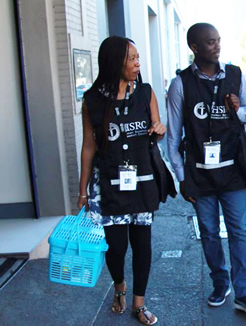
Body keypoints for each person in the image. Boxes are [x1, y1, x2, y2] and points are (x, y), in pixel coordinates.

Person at [166, 23, 246, 315]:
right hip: (199, 173)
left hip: (233, 170)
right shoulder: (180, 83)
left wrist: (238, 109)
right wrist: (181, 179)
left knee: (239, 231)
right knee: (209, 233)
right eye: (210, 42)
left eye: (218, 41)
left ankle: (244, 292)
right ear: (194, 47)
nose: (217, 46)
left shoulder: (235, 75)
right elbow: (173, 137)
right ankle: (220, 283)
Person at [78, 36, 166, 325]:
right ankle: (119, 287)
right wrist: (82, 192)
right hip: (108, 185)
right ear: (115, 61)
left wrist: (159, 127)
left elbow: (158, 128)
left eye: (138, 57)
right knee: (115, 248)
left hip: (141, 180)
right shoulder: (92, 101)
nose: (137, 63)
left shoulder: (145, 93)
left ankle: (139, 304)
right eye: (132, 58)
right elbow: (88, 146)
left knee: (142, 245)